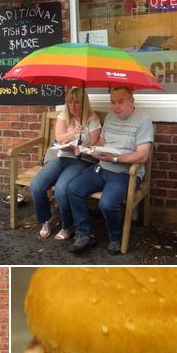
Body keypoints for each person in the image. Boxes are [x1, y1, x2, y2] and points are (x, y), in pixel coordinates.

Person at [67, 86, 154, 255]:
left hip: (125, 173)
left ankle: (115, 237)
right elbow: (102, 141)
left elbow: (143, 156)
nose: (115, 107)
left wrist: (116, 158)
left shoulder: (143, 120)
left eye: (120, 102)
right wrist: (88, 148)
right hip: (102, 167)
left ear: (132, 101)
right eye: (113, 102)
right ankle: (85, 233)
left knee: (106, 204)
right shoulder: (111, 117)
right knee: (73, 189)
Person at [28, 88, 101, 240]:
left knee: (61, 189)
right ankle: (45, 220)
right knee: (36, 185)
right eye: (69, 102)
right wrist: (73, 133)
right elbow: (60, 139)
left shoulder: (92, 118)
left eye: (76, 102)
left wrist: (81, 149)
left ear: (84, 103)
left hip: (82, 160)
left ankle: (67, 226)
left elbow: (95, 145)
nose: (72, 106)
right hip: (62, 156)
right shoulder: (64, 116)